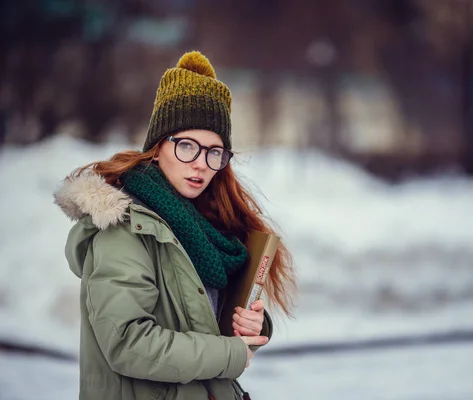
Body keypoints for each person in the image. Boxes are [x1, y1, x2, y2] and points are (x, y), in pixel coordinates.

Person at [54, 51, 296, 400]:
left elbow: (202, 319)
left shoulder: (206, 227)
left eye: (215, 152)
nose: (201, 164)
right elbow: (127, 343)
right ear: (157, 147)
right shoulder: (126, 227)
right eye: (187, 146)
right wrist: (230, 354)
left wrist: (251, 326)